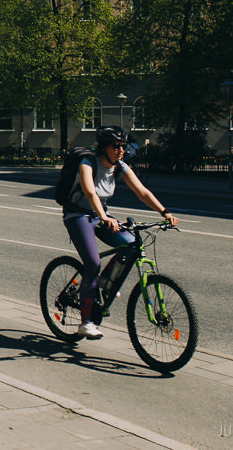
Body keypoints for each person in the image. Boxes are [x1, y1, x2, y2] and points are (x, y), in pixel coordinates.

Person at [61, 126, 178, 340]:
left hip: (99, 215)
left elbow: (142, 191)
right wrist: (105, 217)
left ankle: (105, 282)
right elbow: (89, 191)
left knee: (132, 244)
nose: (121, 150)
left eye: (123, 146)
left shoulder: (119, 166)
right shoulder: (87, 162)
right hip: (77, 215)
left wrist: (165, 211)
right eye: (116, 146)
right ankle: (86, 322)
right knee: (93, 263)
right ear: (103, 147)